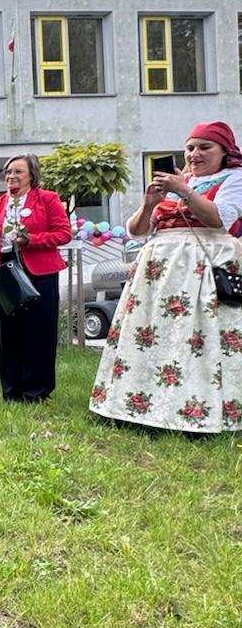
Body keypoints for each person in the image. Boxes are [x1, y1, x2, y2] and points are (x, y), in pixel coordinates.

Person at [89, 122, 242, 433]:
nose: (195, 154)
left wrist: (183, 191)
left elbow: (218, 219)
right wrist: (149, 204)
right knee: (151, 335)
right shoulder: (178, 181)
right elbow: (136, 230)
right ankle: (141, 407)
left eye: (204, 147)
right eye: (190, 148)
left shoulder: (234, 179)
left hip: (201, 266)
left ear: (225, 151)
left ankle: (201, 411)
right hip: (158, 273)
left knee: (199, 337)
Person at [0, 154, 72, 402]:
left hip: (40, 272)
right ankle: (12, 391)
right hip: (6, 272)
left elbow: (64, 233)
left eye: (18, 172)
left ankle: (37, 392)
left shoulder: (47, 199)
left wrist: (32, 240)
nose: (11, 177)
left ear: (31, 175)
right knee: (10, 333)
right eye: (7, 172)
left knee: (40, 331)